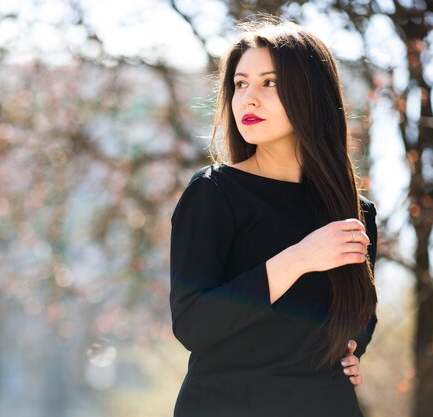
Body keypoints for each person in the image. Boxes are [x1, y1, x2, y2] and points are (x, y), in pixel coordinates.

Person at [169, 16, 378, 417]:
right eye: (240, 83)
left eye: (270, 82)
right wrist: (299, 259)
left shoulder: (355, 211)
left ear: (311, 94)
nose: (248, 98)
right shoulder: (213, 193)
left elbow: (360, 314)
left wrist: (353, 350)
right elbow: (193, 324)